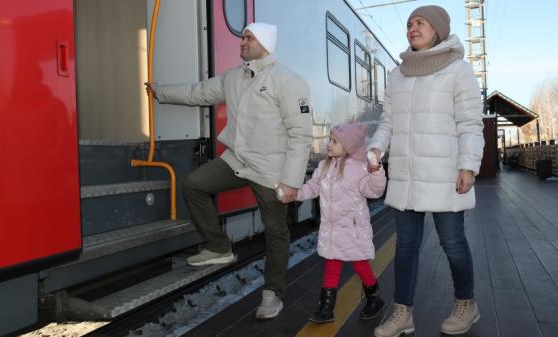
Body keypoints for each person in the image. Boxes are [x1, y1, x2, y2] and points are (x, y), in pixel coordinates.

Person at [145, 22, 313, 319]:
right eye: (242, 37)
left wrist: (291, 182)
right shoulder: (233, 77)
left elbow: (301, 135)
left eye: (249, 38)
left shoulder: (288, 81)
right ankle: (219, 246)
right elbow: (198, 93)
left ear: (265, 43)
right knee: (193, 185)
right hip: (237, 160)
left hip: (271, 170)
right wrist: (161, 92)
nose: (242, 42)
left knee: (276, 231)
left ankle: (273, 293)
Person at [367, 5, 484, 337]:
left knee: (453, 243)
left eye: (419, 23)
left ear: (438, 29)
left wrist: (468, 166)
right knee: (405, 246)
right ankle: (403, 312)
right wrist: (377, 147)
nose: (412, 28)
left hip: (445, 174)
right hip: (406, 175)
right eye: (409, 24)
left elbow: (470, 124)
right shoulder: (398, 74)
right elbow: (387, 122)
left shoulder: (458, 70)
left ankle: (467, 304)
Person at [295, 123, 387, 323]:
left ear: (348, 147)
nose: (329, 144)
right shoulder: (324, 166)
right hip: (332, 229)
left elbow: (374, 191)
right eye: (330, 140)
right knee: (332, 264)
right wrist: (298, 193)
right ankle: (326, 308)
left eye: (335, 142)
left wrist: (377, 172)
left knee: (360, 264)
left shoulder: (360, 169)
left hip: (353, 230)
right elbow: (313, 186)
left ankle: (374, 298)